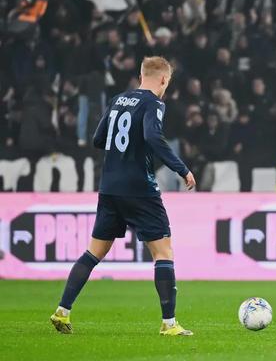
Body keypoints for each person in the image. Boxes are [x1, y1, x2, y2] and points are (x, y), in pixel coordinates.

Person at [49, 57, 197, 336]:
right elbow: (153, 137)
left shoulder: (118, 100)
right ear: (163, 80)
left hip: (109, 188)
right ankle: (169, 324)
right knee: (163, 253)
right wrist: (182, 169)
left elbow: (98, 139)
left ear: (141, 76)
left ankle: (62, 311)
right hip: (140, 189)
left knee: (94, 252)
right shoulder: (154, 104)